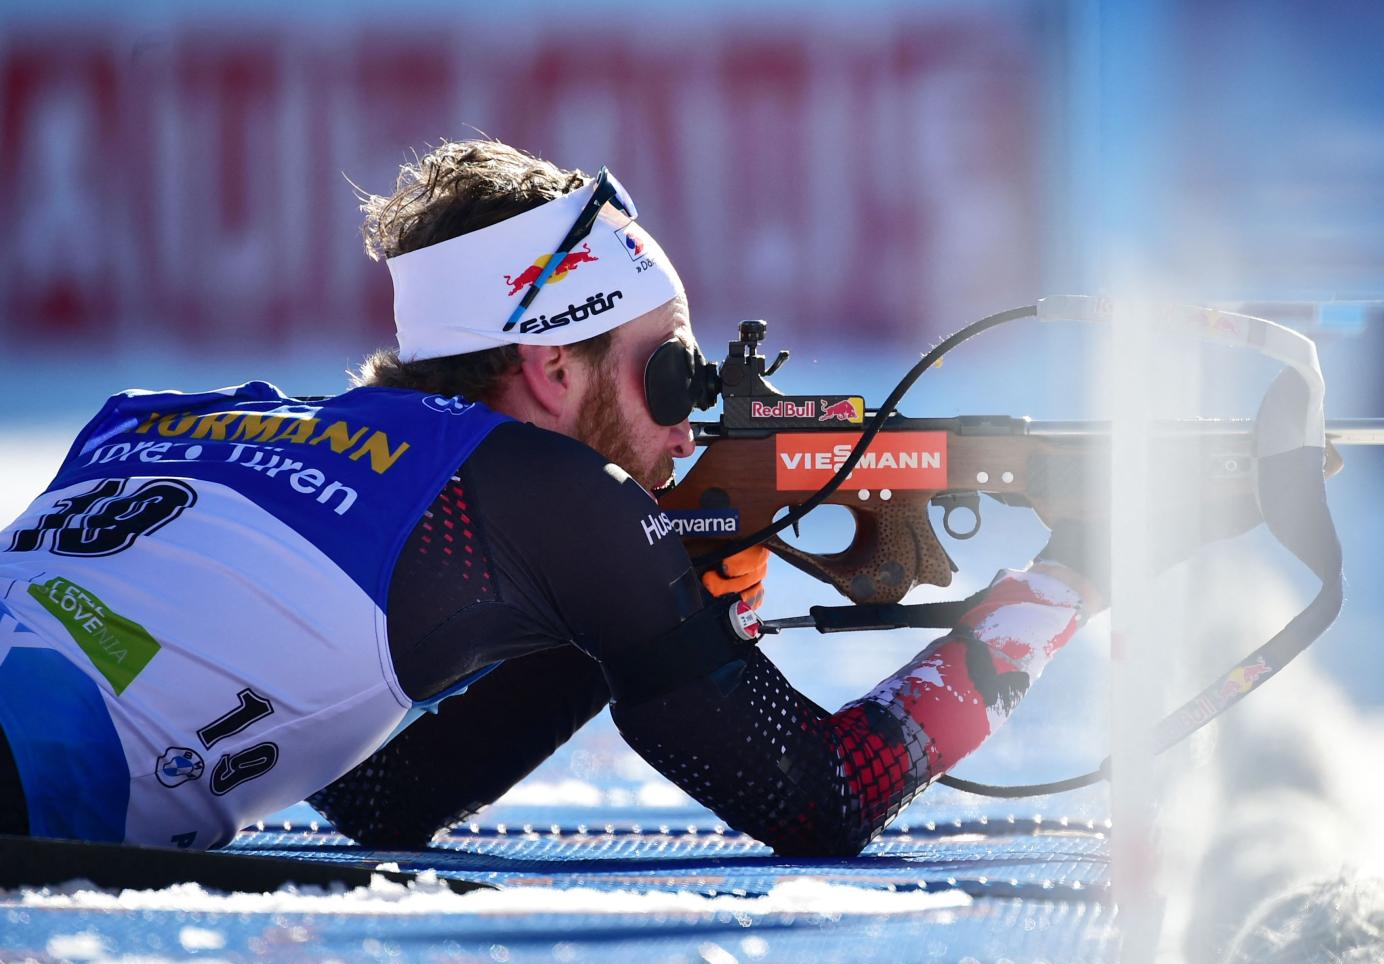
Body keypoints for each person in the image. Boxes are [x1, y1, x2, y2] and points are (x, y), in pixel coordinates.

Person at [0, 139, 1103, 856]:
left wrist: (649, 603)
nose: (690, 406)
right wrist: (1067, 582)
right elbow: (823, 796)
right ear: (551, 370)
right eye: (668, 365)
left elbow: (375, 796)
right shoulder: (546, 492)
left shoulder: (146, 417)